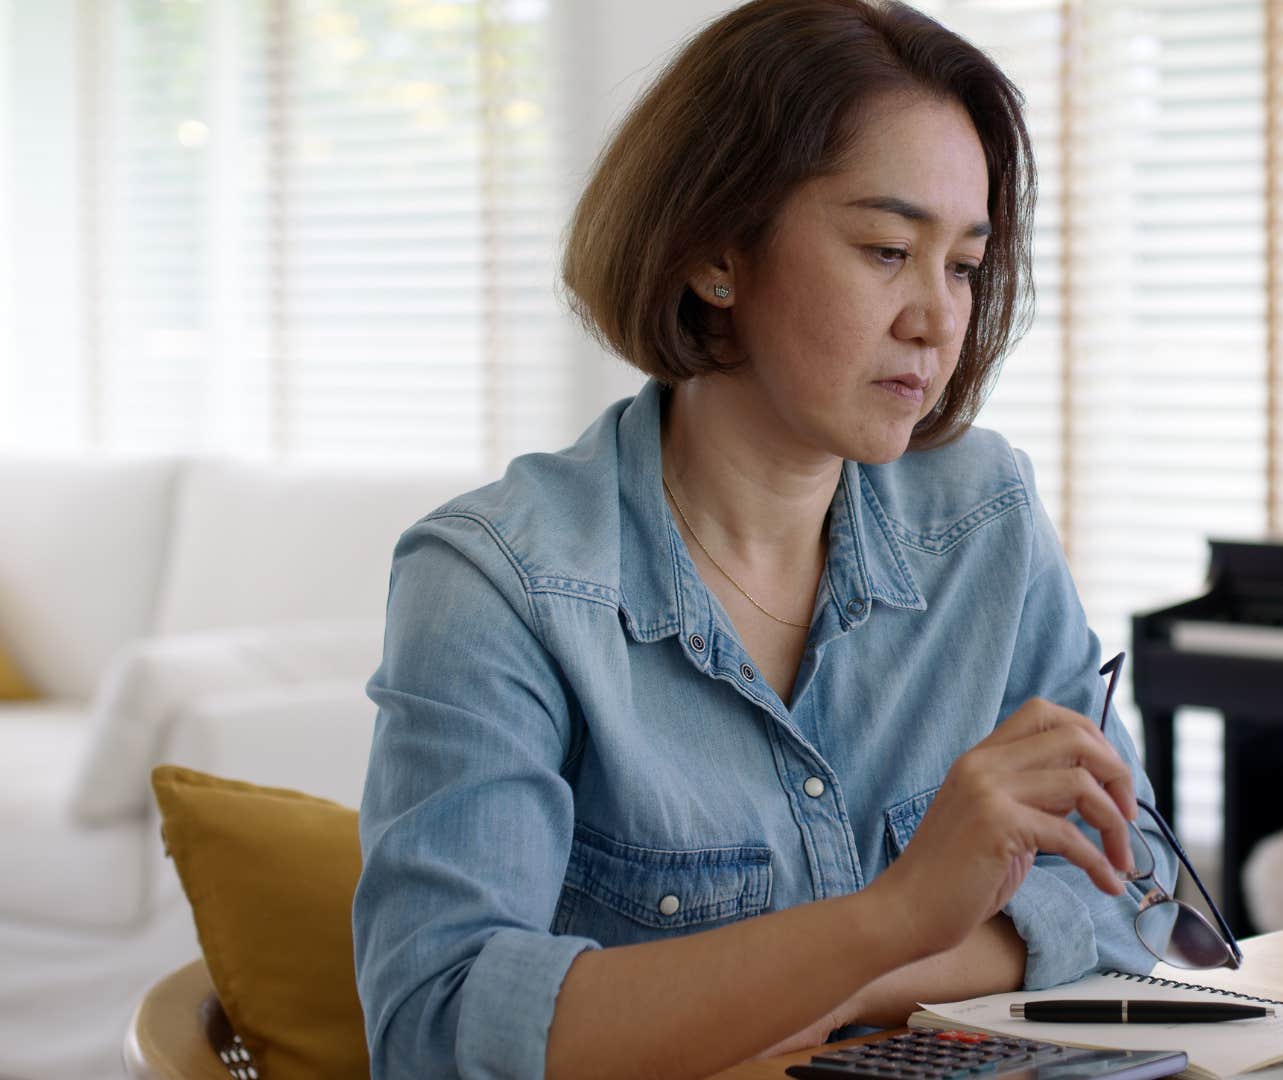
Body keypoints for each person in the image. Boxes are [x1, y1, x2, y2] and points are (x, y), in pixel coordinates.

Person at [351, 1, 1174, 1076]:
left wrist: (863, 979)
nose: (936, 318)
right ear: (715, 255)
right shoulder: (498, 585)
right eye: (887, 249)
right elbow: (439, 1030)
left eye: (964, 265)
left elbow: (1137, 883)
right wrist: (893, 917)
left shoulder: (984, 518)